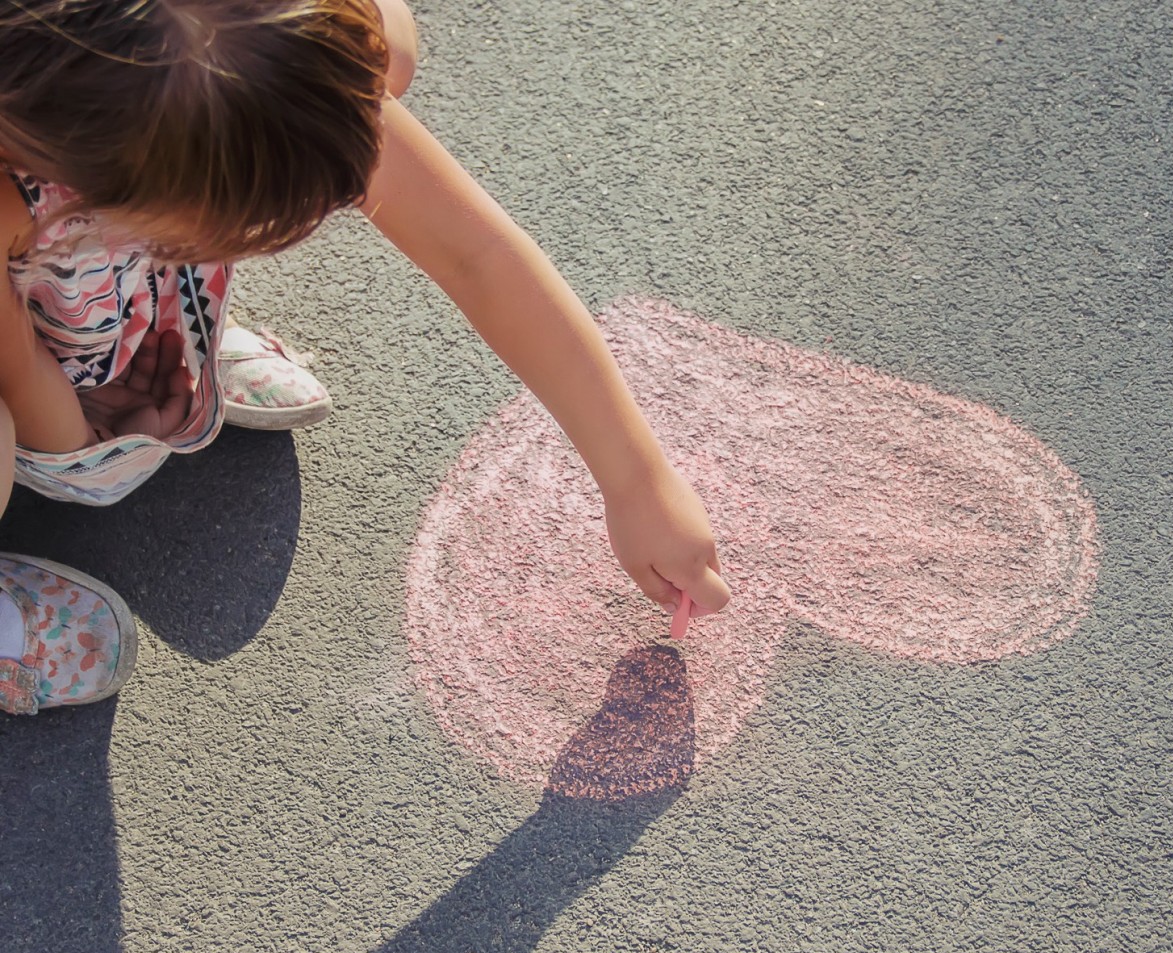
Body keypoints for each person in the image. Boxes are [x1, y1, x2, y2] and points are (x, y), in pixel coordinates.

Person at [0, 0, 730, 715]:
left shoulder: (241, 62)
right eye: (237, 227)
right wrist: (96, 454)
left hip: (103, 235)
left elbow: (477, 255)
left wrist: (635, 478)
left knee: (388, 65)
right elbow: (23, 378)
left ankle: (143, 328)